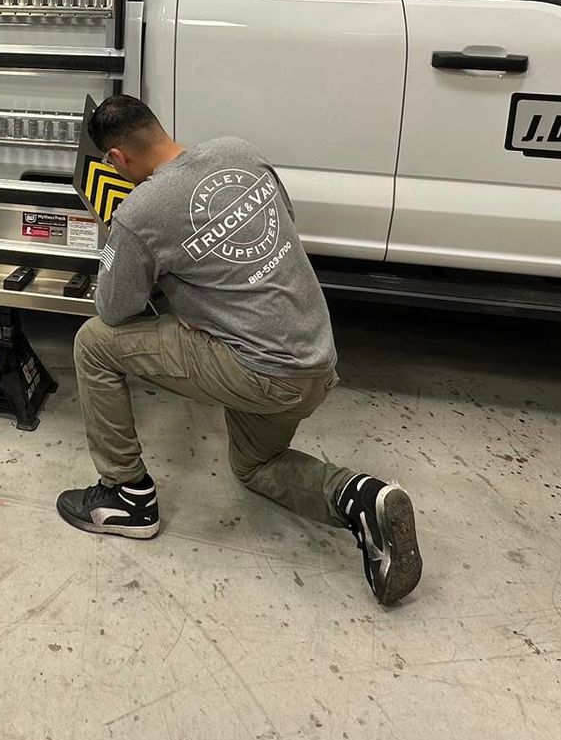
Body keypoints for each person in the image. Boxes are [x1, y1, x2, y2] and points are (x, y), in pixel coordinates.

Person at [56, 94, 423, 605]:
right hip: (315, 363)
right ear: (159, 127)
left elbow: (115, 310)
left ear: (116, 160)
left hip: (259, 371)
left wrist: (123, 238)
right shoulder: (239, 152)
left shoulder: (138, 214)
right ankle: (361, 498)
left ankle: (126, 497)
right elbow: (282, 228)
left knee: (93, 343)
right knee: (256, 466)